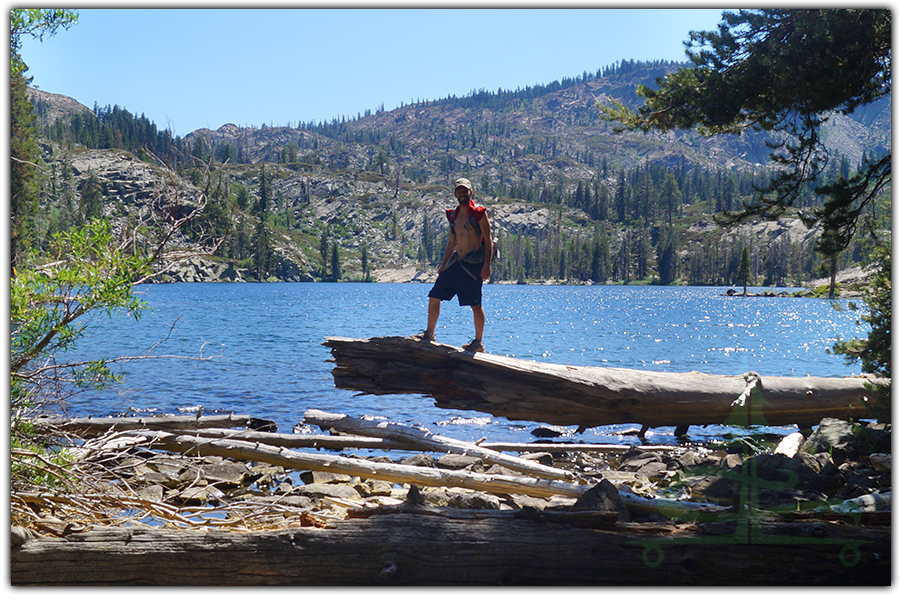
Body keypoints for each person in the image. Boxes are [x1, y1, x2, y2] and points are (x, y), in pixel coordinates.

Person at [415, 177, 493, 352]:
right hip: (457, 262)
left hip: (473, 264)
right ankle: (429, 334)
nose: (462, 193)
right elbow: (452, 241)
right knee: (434, 296)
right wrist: (443, 265)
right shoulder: (453, 215)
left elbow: (488, 240)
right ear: (455, 194)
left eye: (465, 190)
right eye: (459, 190)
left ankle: (478, 342)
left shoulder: (479, 213)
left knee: (475, 304)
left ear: (470, 192)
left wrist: (486, 265)